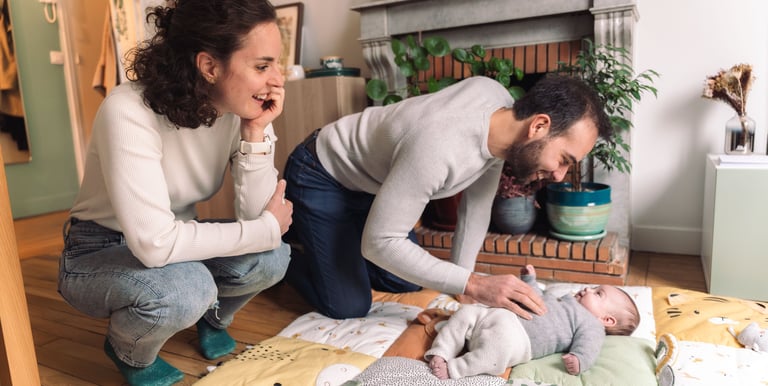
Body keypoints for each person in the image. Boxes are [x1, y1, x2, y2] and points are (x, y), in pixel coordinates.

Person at [57, 1, 292, 385]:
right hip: (98, 248)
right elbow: (153, 244)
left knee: (271, 256)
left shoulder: (238, 113)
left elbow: (256, 221)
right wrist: (266, 229)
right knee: (189, 287)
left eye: (276, 65)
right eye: (263, 66)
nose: (278, 80)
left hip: (178, 240)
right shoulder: (128, 109)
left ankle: (212, 317)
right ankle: (128, 351)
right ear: (209, 66)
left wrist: (255, 134)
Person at [283, 74, 613, 320]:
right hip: (321, 172)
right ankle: (282, 250)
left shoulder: (500, 111)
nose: (558, 176)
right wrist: (474, 283)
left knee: (405, 279)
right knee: (349, 305)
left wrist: (462, 286)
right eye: (564, 160)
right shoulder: (437, 146)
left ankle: (334, 243)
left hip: (371, 185)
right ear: (539, 125)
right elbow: (380, 242)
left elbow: (477, 208)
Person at [425, 265, 640, 379]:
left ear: (606, 320)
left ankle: (455, 369)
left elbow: (589, 347)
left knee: (497, 352)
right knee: (465, 313)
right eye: (593, 288)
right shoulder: (563, 300)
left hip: (518, 338)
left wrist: (580, 360)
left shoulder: (591, 325)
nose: (587, 289)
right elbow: (535, 299)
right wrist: (530, 281)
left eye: (598, 294)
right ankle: (442, 351)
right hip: (500, 314)